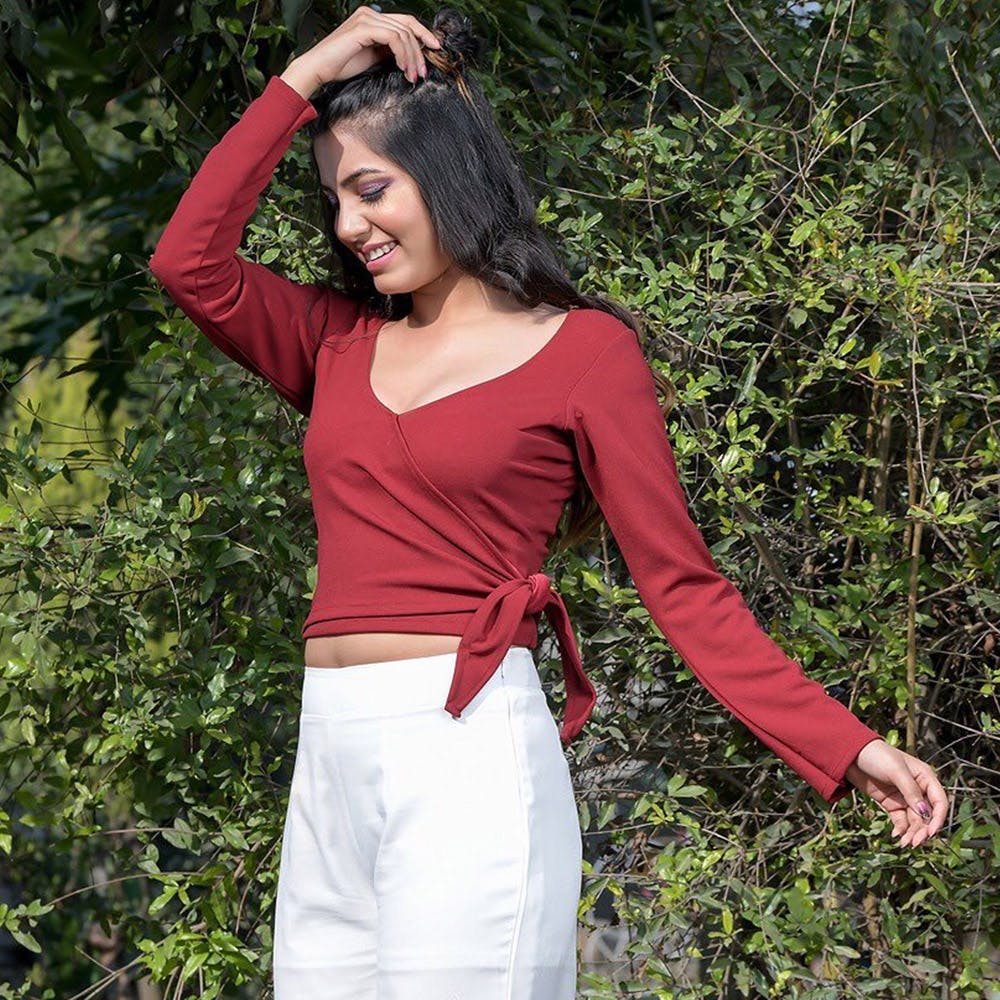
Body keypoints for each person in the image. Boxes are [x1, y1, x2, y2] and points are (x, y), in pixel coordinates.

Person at [147, 6, 950, 998]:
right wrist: (308, 73)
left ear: (445, 176)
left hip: (466, 756)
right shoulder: (335, 342)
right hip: (331, 763)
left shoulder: (582, 354)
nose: (348, 226)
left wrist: (845, 743)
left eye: (370, 189)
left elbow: (686, 588)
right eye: (335, 201)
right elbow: (187, 261)